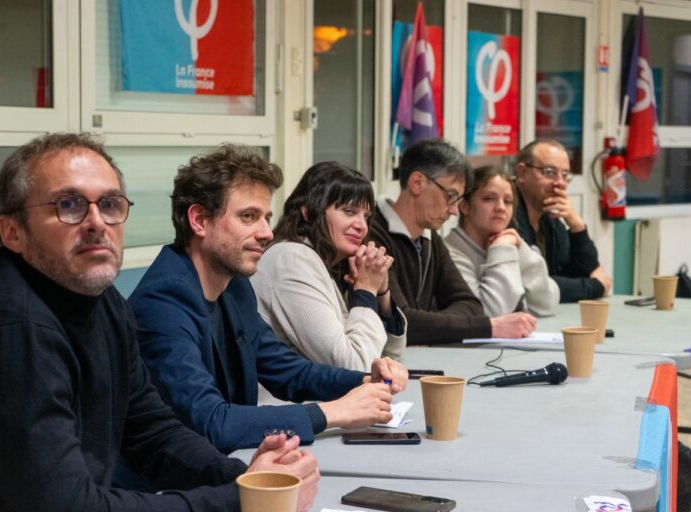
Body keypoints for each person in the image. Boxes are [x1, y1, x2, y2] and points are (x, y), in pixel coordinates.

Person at [0, 133, 319, 512]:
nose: (97, 222)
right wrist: (239, 500)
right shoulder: (11, 328)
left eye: (110, 205)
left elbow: (149, 428)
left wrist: (247, 478)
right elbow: (68, 506)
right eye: (69, 205)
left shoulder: (103, 301)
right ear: (13, 232)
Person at [128, 144, 408, 454]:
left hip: (228, 464)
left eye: (266, 217)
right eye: (248, 216)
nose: (267, 233)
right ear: (199, 220)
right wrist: (333, 413)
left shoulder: (234, 287)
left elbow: (288, 371)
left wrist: (365, 380)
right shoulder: (162, 304)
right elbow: (211, 422)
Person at [369, 138, 537, 344]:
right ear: (417, 183)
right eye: (451, 196)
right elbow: (403, 323)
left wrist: (430, 326)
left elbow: (471, 305)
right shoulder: (372, 235)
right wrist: (491, 327)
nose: (455, 209)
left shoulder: (430, 238)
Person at [251, 161, 406, 371]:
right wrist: (366, 291)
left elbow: (391, 358)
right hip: (284, 403)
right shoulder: (292, 260)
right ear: (308, 212)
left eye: (366, 216)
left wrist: (382, 293)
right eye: (349, 211)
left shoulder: (329, 263)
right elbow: (354, 368)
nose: (362, 225)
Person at [444, 165, 560, 317]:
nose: (501, 208)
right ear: (464, 206)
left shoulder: (508, 242)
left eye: (508, 201)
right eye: (489, 199)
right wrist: (502, 249)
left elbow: (546, 304)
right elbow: (489, 312)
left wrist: (521, 249)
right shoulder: (449, 254)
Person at [513, 139, 612, 302]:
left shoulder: (550, 218)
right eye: (549, 172)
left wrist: (577, 227)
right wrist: (596, 286)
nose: (560, 183)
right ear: (522, 173)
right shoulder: (505, 213)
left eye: (565, 175)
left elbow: (583, 272)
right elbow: (534, 286)